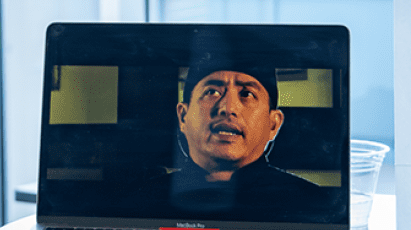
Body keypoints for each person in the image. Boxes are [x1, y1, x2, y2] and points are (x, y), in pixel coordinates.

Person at [130, 61, 325, 221]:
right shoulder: (140, 201)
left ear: (273, 124)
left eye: (247, 94)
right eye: (212, 92)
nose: (228, 107)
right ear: (183, 116)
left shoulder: (313, 203)